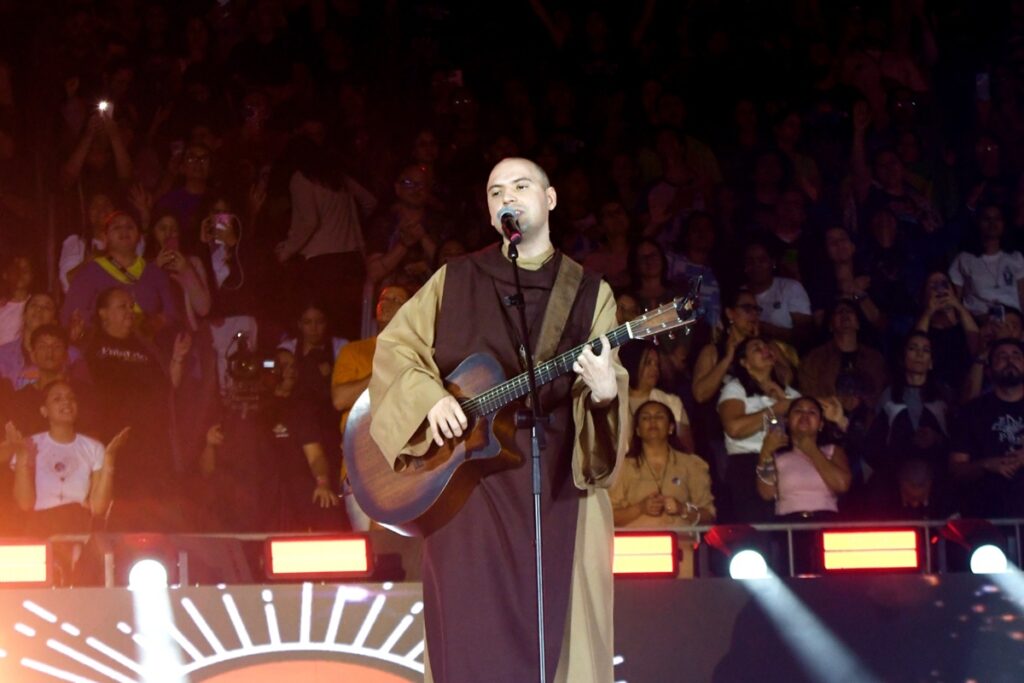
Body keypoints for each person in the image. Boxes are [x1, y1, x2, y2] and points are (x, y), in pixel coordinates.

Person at [368, 157, 628, 682]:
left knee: (561, 636)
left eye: (521, 186)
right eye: (495, 192)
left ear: (549, 199)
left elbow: (606, 383)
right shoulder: (455, 278)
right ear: (490, 214)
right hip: (469, 488)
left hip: (556, 483)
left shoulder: (588, 291)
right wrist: (428, 398)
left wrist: (603, 393)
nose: (507, 197)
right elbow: (395, 350)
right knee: (470, 639)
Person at [5, 383, 126, 535]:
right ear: (44, 410)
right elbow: (24, 503)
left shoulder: (93, 447)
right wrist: (22, 456)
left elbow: (98, 507)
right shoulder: (29, 444)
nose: (66, 402)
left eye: (71, 398)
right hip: (39, 529)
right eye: (57, 399)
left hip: (78, 528)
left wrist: (109, 460)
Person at [718, 336, 800, 522]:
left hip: (787, 462)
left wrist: (782, 400)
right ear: (744, 362)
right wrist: (776, 410)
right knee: (756, 530)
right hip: (748, 465)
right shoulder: (736, 388)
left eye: (766, 346)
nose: (765, 350)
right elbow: (734, 428)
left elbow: (810, 422)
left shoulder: (788, 393)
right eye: (756, 348)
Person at [949, 338, 1024, 518]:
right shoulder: (972, 412)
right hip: (987, 517)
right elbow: (956, 470)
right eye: (1002, 356)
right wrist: (987, 465)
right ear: (989, 370)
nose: (1009, 360)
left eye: (1016, 355)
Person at [611, 400, 715, 528]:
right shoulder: (622, 467)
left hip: (681, 543)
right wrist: (640, 508)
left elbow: (708, 516)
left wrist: (682, 509)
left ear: (671, 427)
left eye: (659, 416)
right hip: (634, 544)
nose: (652, 421)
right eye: (645, 418)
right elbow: (607, 516)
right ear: (637, 430)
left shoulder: (691, 464)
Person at [756, 396, 851, 519]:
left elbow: (842, 485)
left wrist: (812, 450)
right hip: (789, 523)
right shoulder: (777, 454)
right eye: (798, 411)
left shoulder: (832, 450)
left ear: (821, 424)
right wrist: (766, 452)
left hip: (826, 520)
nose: (804, 416)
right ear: (788, 421)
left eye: (812, 412)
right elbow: (766, 493)